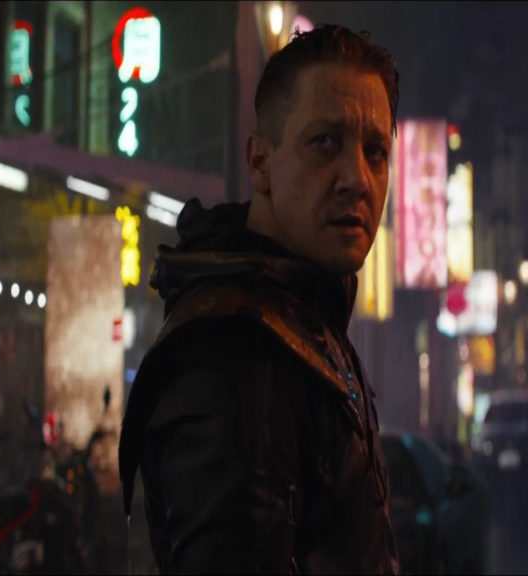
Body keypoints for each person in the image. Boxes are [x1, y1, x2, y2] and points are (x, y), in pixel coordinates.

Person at [118, 24, 401, 574]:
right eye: (325, 142)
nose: (357, 179)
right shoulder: (236, 355)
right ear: (260, 163)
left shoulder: (301, 325)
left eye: (376, 152)